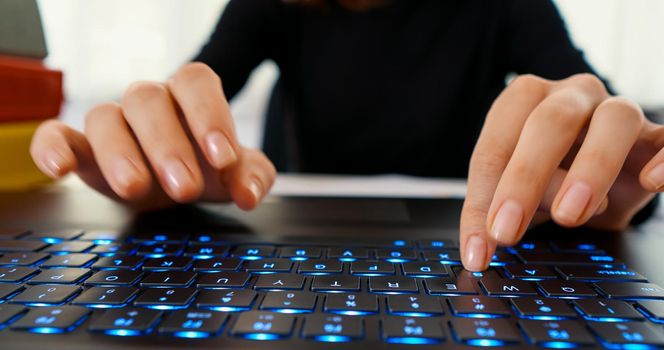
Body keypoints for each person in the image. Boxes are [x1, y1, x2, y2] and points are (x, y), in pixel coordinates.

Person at [29, 0, 663, 272]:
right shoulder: (275, 4)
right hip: (277, 238)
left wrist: (613, 181)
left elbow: (609, 128)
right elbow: (190, 104)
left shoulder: (506, 5)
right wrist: (161, 160)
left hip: (477, 244)